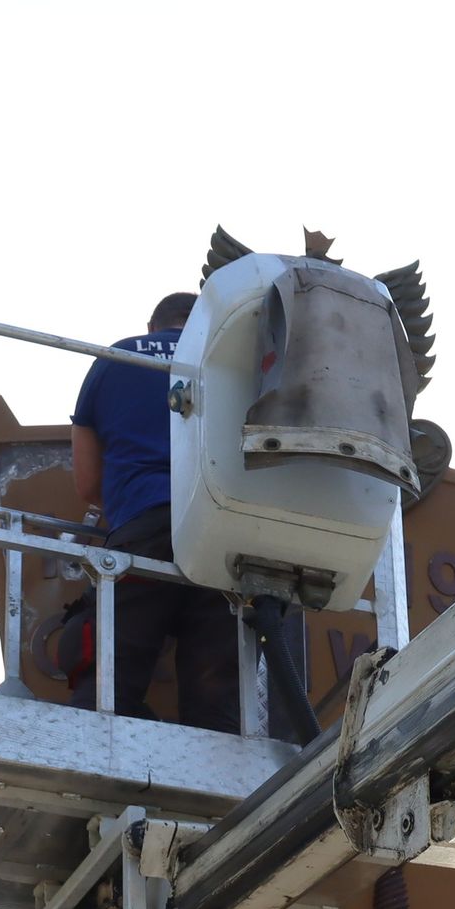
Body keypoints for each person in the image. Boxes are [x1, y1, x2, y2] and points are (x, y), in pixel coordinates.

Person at [69, 295, 312, 740]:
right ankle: (216, 793)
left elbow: (88, 482)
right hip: (227, 536)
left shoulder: (116, 357)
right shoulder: (239, 365)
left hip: (144, 525)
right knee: (217, 697)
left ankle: (93, 763)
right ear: (203, 324)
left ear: (152, 325)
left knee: (111, 678)